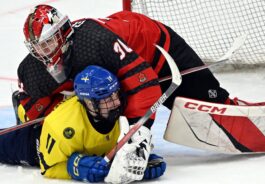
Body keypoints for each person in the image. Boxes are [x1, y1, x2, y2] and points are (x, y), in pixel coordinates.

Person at [14, 4, 229, 173]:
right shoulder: (33, 68)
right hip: (115, 63)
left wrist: (137, 135)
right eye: (37, 47)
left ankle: (227, 106)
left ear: (62, 34)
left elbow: (144, 85)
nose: (43, 53)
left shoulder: (96, 42)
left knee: (209, 104)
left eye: (47, 44)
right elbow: (33, 103)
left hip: (154, 44)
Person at [0, 65, 166, 183]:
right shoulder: (62, 128)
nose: (115, 103)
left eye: (115, 94)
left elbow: (119, 149)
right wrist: (74, 168)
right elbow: (48, 167)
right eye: (106, 99)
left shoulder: (114, 109)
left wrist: (137, 160)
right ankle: (23, 112)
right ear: (89, 103)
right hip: (36, 143)